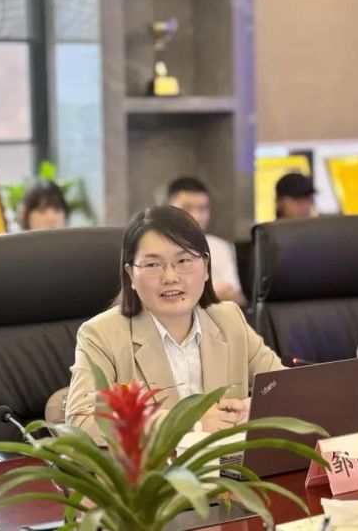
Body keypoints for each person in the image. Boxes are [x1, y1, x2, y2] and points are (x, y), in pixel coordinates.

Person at [65, 205, 283, 442]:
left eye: (183, 260)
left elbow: (283, 388)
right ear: (130, 275)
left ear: (206, 267)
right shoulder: (101, 334)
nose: (170, 277)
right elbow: (82, 419)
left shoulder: (229, 320)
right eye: (152, 265)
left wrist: (251, 409)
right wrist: (190, 423)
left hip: (231, 463)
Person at [167, 177, 245, 305]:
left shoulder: (220, 247)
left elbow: (233, 294)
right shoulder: (155, 247)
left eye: (202, 209)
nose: (196, 216)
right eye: (187, 208)